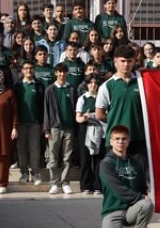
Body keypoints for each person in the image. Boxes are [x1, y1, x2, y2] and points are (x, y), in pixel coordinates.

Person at [98, 125, 152, 228]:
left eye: (124, 139)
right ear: (111, 141)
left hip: (131, 210)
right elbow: (118, 190)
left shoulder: (135, 163)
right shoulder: (106, 164)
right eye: (117, 139)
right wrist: (139, 197)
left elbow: (142, 186)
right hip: (113, 211)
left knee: (147, 204)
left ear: (128, 142)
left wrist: (144, 196)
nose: (120, 141)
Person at [96, 45, 145, 155]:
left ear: (134, 61)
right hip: (116, 140)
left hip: (138, 138)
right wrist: (117, 120)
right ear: (115, 61)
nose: (126, 64)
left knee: (137, 171)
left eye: (129, 61)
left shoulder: (142, 83)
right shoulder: (107, 86)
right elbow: (99, 114)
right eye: (122, 61)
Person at [43, 63, 77, 195]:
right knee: (53, 157)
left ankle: (65, 182)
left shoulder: (71, 89)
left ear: (67, 73)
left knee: (67, 157)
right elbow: (46, 110)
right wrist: (46, 129)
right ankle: (55, 183)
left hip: (69, 127)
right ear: (56, 73)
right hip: (54, 128)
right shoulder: (50, 89)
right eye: (59, 72)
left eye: (64, 72)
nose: (62, 74)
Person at [12, 61, 44, 185]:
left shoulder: (39, 85)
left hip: (35, 122)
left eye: (31, 68)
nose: (29, 70)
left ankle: (35, 173)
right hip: (20, 122)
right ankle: (24, 173)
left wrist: (42, 123)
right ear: (22, 70)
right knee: (21, 148)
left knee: (35, 148)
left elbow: (42, 106)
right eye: (26, 68)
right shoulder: (17, 86)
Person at [75, 74, 105, 194]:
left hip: (100, 129)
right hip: (86, 129)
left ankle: (98, 186)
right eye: (90, 83)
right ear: (87, 84)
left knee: (99, 159)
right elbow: (78, 118)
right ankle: (86, 185)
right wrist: (85, 118)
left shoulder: (101, 98)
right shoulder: (82, 98)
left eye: (95, 83)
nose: (93, 85)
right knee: (85, 158)